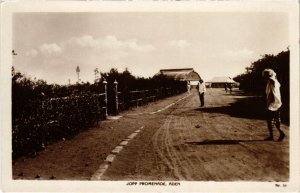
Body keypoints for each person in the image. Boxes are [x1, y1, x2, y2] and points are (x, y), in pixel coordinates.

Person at [262, 69, 285, 141]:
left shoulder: (272, 81)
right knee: (275, 119)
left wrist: (268, 105)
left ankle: (278, 134)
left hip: (273, 104)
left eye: (265, 76)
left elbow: (271, 95)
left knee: (269, 120)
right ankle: (275, 135)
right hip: (277, 103)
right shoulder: (275, 82)